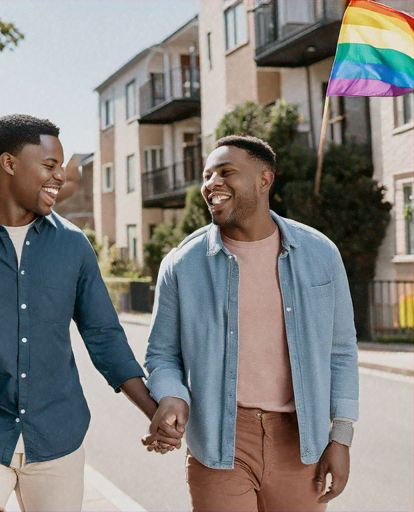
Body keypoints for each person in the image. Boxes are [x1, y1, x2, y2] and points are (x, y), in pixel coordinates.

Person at [0, 114, 178, 512]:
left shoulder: (73, 245)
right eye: (49, 166)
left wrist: (153, 410)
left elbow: (104, 335)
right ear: (8, 164)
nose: (60, 178)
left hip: (58, 439)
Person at [143, 135, 359, 512]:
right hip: (219, 440)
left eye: (226, 172)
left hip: (301, 440)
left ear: (264, 179)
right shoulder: (181, 264)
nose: (212, 183)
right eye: (207, 175)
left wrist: (340, 438)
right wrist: (172, 395)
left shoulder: (321, 253)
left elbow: (340, 351)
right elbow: (161, 355)